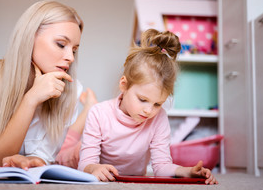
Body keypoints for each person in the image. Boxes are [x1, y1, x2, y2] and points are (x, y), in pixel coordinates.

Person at [0, 0, 96, 169]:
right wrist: (31, 99)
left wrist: (34, 161)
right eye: (61, 44)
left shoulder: (71, 91)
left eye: (74, 50)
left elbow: (44, 157)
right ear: (30, 37)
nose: (71, 57)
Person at [77, 29, 218, 185]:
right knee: (64, 154)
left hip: (129, 178)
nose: (149, 110)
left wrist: (187, 171)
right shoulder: (99, 113)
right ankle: (87, 107)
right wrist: (94, 168)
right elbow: (84, 163)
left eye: (158, 103)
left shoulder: (158, 117)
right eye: (142, 99)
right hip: (76, 155)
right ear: (124, 85)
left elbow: (161, 166)